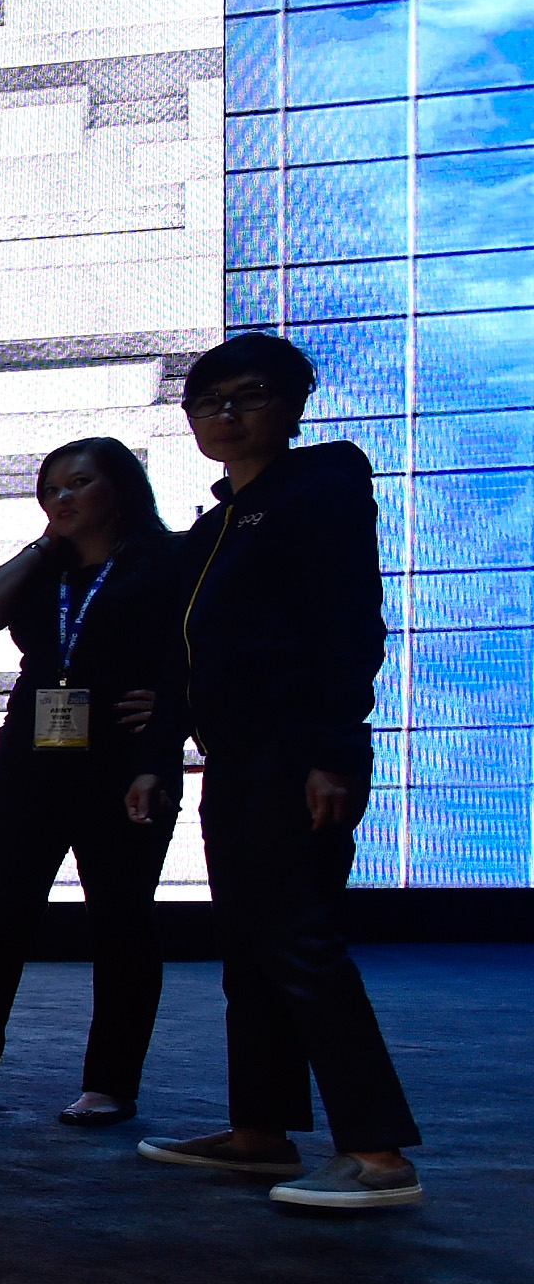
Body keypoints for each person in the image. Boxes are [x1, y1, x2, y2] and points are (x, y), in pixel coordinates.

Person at [137, 332, 424, 1211]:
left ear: (294, 405)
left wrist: (332, 751)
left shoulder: (319, 493)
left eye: (250, 395)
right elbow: (185, 656)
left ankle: (377, 1155)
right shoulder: (215, 525)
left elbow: (349, 627)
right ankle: (259, 1133)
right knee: (250, 948)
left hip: (297, 755)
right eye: (208, 402)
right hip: (236, 760)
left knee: (299, 941)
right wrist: (158, 756)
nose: (226, 414)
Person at [0, 438, 185, 1126]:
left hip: (124, 758)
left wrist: (177, 711)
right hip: (30, 755)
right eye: (51, 489)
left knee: (121, 918)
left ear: (122, 487)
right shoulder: (44, 568)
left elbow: (209, 647)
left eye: (80, 483)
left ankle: (110, 1083)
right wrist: (43, 546)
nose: (63, 498)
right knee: (2, 910)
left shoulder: (167, 561)